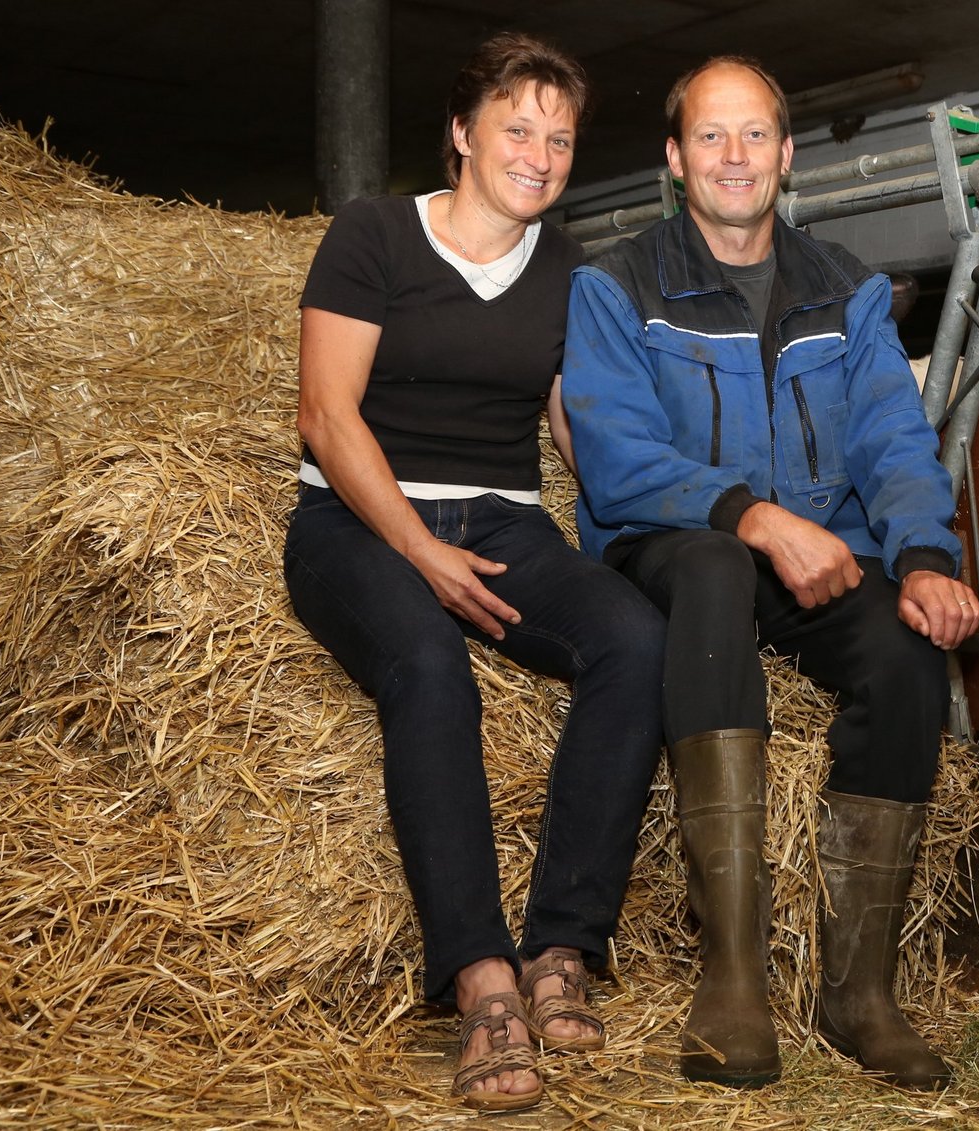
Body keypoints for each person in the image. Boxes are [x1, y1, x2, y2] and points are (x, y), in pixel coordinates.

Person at [560, 56, 979, 1090]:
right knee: (711, 568)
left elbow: (890, 438)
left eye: (754, 136)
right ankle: (732, 979)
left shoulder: (846, 289)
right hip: (672, 538)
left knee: (901, 650)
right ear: (673, 160)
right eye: (710, 137)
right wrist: (755, 519)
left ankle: (858, 990)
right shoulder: (616, 285)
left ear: (786, 157)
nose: (733, 157)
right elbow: (614, 452)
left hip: (812, 549)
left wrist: (924, 559)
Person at [283, 33, 665, 1113]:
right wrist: (419, 551)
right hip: (355, 521)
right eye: (517, 128)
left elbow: (579, 432)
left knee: (633, 642)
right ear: (460, 134)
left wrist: (664, 528)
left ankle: (560, 948)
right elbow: (324, 413)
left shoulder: (565, 271)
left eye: (559, 138)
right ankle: (481, 978)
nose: (540, 155)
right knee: (428, 666)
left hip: (504, 521)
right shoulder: (371, 236)